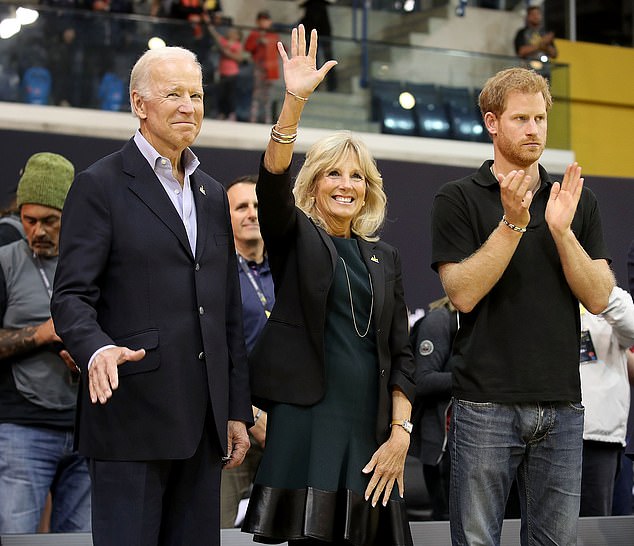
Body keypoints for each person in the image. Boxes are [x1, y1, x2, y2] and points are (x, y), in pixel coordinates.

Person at [50, 46, 252, 546]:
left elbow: (227, 313)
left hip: (203, 426)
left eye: (197, 95)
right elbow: (71, 296)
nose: (189, 106)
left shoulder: (211, 193)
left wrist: (235, 410)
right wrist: (95, 348)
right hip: (130, 418)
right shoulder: (98, 185)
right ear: (139, 104)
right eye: (174, 94)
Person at [241, 25, 416, 546]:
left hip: (370, 425)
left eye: (357, 176)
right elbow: (271, 182)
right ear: (314, 183)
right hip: (307, 421)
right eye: (334, 174)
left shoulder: (386, 257)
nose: (346, 185)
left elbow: (403, 354)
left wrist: (401, 433)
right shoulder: (295, 236)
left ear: (369, 190)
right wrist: (293, 101)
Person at [431, 66, 615, 545]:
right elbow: (462, 293)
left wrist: (561, 231)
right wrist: (513, 224)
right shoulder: (457, 199)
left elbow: (598, 296)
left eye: (540, 118)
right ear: (492, 123)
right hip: (484, 403)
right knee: (476, 541)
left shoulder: (576, 202)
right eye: (520, 119)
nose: (534, 129)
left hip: (563, 404)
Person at [0, 152, 91, 534]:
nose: (38, 231)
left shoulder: (92, 261)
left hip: (88, 428)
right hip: (23, 427)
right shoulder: (4, 262)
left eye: (50, 221)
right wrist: (42, 333)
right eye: (29, 220)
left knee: (82, 539)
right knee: (17, 537)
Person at [220, 175, 273, 528]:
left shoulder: (289, 270)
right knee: (220, 527)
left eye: (257, 206)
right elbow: (211, 350)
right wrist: (249, 412)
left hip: (286, 423)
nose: (251, 214)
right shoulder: (216, 272)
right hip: (234, 419)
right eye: (241, 207)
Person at [579, 285, 634, 516]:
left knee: (594, 530)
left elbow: (631, 326)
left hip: (598, 437)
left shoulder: (607, 297)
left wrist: (589, 283)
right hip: (543, 432)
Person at [409, 295, 457, 522]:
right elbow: (422, 380)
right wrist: (478, 378)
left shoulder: (478, 322)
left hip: (471, 448)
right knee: (446, 529)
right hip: (442, 450)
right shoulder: (439, 321)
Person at [244, 11, 280, 124]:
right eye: (262, 20)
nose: (264, 23)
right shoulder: (255, 34)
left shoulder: (273, 35)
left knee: (268, 95)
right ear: (258, 21)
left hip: (270, 68)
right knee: (256, 94)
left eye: (266, 20)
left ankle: (267, 119)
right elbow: (248, 47)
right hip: (258, 67)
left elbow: (281, 49)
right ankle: (253, 118)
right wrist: (258, 41)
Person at [206, 21, 244, 121]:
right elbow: (216, 36)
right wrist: (209, 25)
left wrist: (228, 53)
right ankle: (221, 112)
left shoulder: (237, 45)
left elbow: (239, 58)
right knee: (221, 94)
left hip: (232, 73)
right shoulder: (224, 42)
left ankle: (231, 113)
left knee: (230, 95)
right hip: (223, 72)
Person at [300, 0, 336, 92]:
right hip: (310, 24)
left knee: (328, 58)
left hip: (323, 27)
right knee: (312, 57)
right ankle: (314, 86)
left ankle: (332, 86)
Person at [514, 5, 557, 79]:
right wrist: (541, 44)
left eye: (538, 14)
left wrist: (545, 45)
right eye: (533, 14)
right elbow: (521, 51)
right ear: (528, 17)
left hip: (545, 72)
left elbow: (554, 53)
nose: (536, 16)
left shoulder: (545, 33)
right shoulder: (522, 33)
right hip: (527, 71)